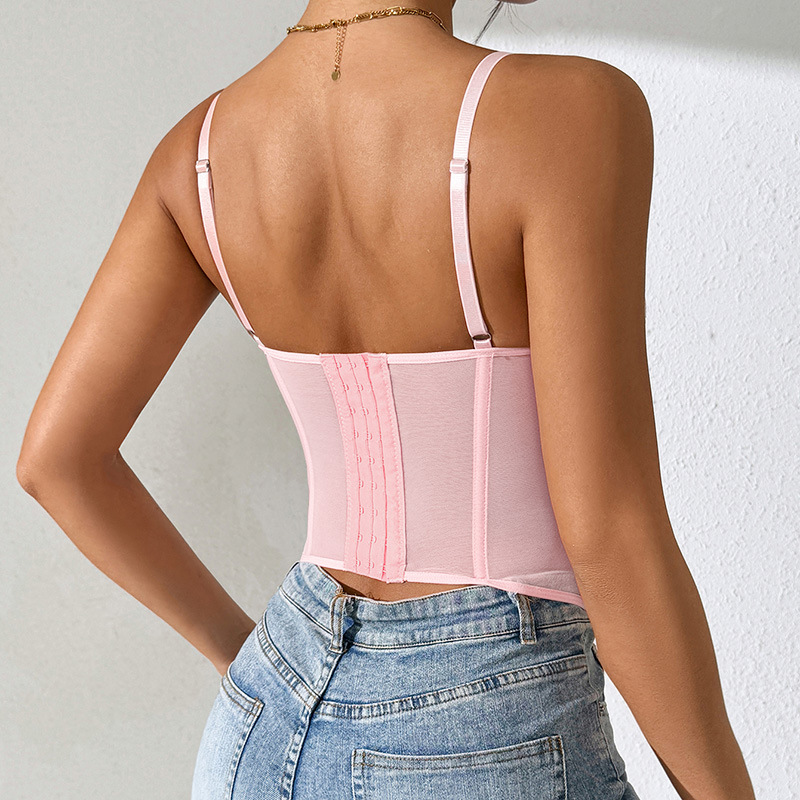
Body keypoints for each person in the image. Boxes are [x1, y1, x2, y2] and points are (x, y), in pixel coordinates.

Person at [16, 1, 757, 798]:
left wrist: (251, 660)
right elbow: (609, 532)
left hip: (261, 720)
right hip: (482, 731)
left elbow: (57, 462)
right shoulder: (569, 111)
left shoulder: (196, 154)